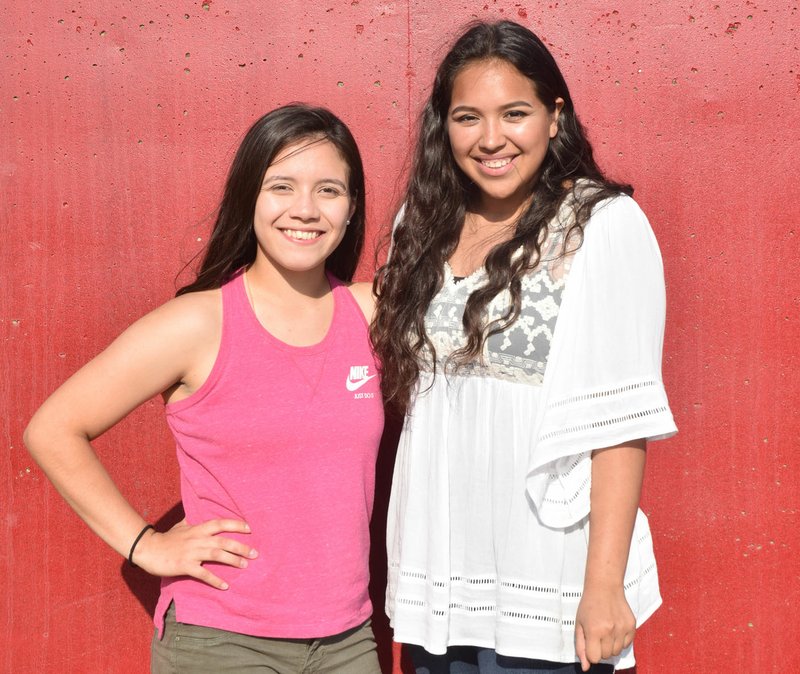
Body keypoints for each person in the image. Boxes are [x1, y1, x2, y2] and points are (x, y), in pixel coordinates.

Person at [24, 104, 384, 673]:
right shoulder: (199, 323)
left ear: (352, 206)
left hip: (347, 640)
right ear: (249, 198)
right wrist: (146, 546)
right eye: (281, 186)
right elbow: (53, 429)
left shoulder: (370, 314)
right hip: (222, 640)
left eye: (329, 190)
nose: (306, 210)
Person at [371, 20, 677, 674]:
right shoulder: (419, 223)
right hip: (440, 577)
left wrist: (604, 587)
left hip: (548, 575)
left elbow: (619, 422)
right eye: (466, 117)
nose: (490, 139)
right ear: (442, 125)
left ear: (553, 115)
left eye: (514, 113)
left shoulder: (601, 226)